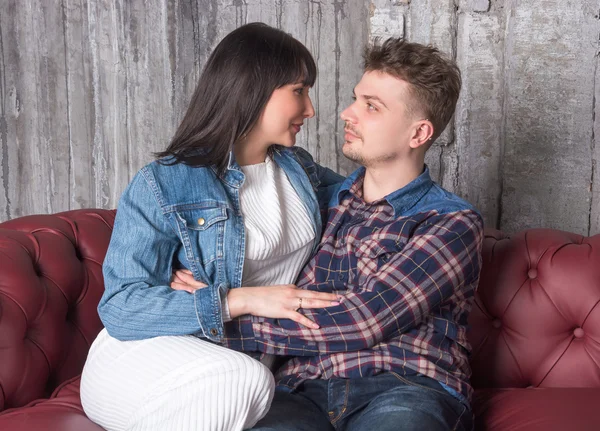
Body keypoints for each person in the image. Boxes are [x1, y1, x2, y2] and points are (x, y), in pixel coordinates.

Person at [198, 37, 484, 430]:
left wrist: (211, 318)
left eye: (371, 106)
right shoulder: (312, 203)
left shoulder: (451, 222)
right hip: (298, 390)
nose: (347, 113)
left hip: (404, 385)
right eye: (355, 99)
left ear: (418, 134)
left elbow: (363, 320)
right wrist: (194, 288)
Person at [79, 22, 344, 431]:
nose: (310, 109)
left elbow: (373, 198)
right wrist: (238, 300)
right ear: (253, 89)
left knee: (249, 381)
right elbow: (121, 308)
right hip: (140, 360)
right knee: (245, 379)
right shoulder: (166, 181)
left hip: (240, 364)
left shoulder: (300, 170)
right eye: (299, 91)